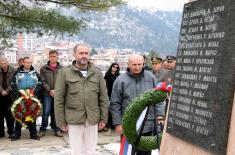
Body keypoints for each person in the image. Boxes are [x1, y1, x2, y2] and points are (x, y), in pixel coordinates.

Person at [54, 43, 109, 155]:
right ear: (74, 55)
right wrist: (61, 121)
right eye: (81, 53)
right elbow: (59, 99)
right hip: (74, 118)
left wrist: (104, 118)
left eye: (86, 53)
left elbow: (103, 97)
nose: (84, 56)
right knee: (76, 151)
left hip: (92, 118)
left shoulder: (97, 73)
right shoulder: (64, 73)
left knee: (90, 151)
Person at [110, 54, 163, 155]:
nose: (137, 67)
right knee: (128, 153)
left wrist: (160, 115)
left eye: (140, 64)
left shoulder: (150, 77)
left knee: (145, 153)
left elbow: (159, 97)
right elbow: (114, 103)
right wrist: (118, 123)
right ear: (128, 64)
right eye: (134, 64)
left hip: (147, 124)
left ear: (143, 63)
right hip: (128, 126)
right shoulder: (120, 80)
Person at [10, 57, 42, 141]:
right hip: (20, 98)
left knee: (32, 114)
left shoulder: (35, 73)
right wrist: (20, 93)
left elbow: (40, 84)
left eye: (30, 62)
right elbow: (12, 84)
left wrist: (33, 93)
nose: (29, 64)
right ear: (23, 63)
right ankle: (17, 134)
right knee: (19, 114)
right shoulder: (17, 73)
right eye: (27, 62)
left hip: (32, 98)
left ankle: (33, 134)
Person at [39, 50, 63, 137]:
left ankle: (57, 130)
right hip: (47, 94)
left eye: (54, 56)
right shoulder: (43, 68)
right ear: (49, 57)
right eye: (51, 56)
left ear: (57, 57)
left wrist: (56, 90)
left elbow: (62, 81)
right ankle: (43, 130)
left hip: (58, 94)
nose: (53, 58)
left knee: (57, 112)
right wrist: (50, 90)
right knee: (46, 112)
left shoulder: (62, 68)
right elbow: (43, 81)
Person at [0, 58, 16, 138]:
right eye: (2, 63)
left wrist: (6, 91)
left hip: (10, 95)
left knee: (9, 114)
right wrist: (2, 91)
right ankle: (1, 132)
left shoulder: (13, 70)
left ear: (8, 63)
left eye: (5, 63)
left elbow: (13, 82)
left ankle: (11, 132)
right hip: (0, 95)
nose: (3, 65)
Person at [103, 63, 120, 131]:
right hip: (109, 94)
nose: (114, 68)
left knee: (115, 108)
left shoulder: (118, 75)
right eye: (113, 67)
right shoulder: (107, 75)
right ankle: (108, 124)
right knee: (109, 109)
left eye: (116, 67)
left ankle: (114, 124)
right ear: (111, 67)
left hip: (116, 94)